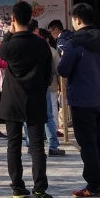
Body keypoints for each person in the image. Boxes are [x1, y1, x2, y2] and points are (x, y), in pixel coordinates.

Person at [58, 3, 100, 198]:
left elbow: (63, 70)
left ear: (77, 19)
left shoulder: (73, 43)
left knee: (88, 143)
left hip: (82, 99)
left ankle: (94, 185)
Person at [0, 1, 54, 198]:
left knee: (13, 144)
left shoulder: (9, 44)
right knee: (37, 146)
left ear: (13, 19)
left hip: (12, 99)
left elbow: (0, 54)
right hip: (35, 98)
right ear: (31, 18)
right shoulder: (41, 44)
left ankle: (18, 188)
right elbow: (49, 73)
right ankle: (39, 191)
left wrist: (9, 33)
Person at [37, 29, 64, 157]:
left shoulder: (32, 50)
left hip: (34, 88)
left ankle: (32, 144)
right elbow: (59, 69)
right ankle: (53, 145)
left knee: (31, 117)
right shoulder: (51, 51)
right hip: (49, 86)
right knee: (50, 115)